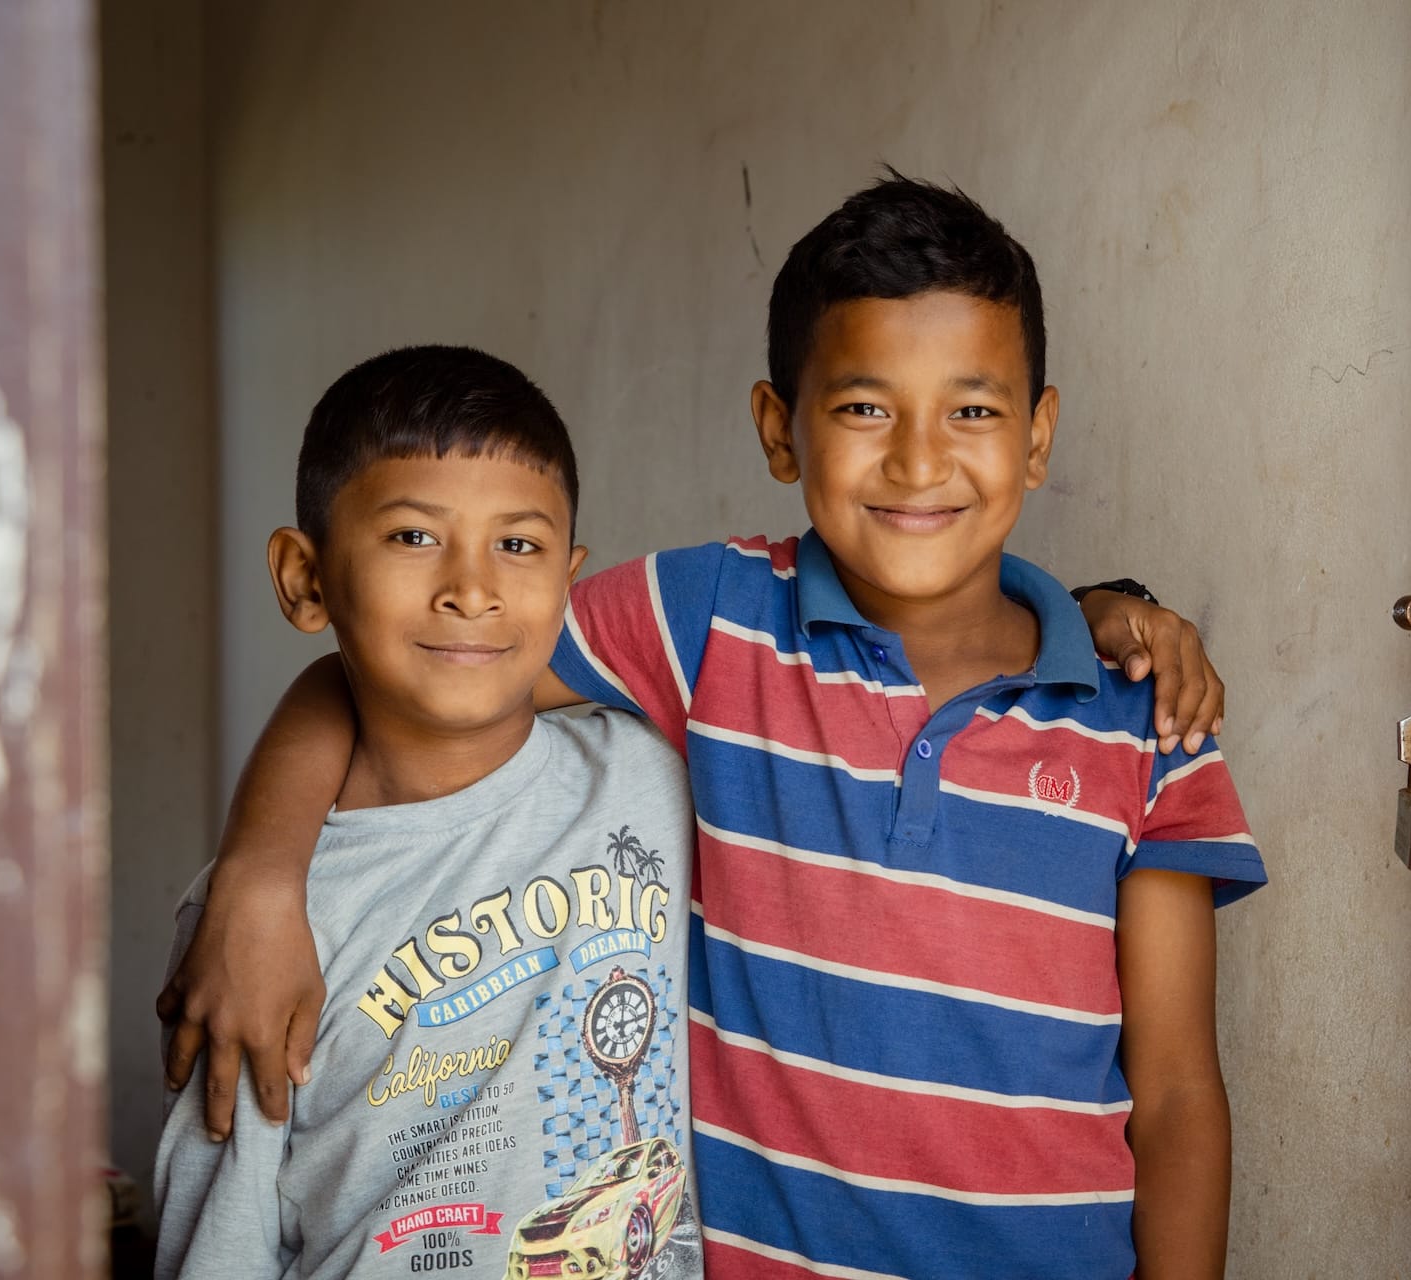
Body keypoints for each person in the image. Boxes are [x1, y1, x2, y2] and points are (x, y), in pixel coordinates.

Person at [167, 173, 1262, 1278]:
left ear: (1037, 435)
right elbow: (413, 663)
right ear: (780, 430)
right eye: (864, 407)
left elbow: (1175, 1092)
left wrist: (1106, 612)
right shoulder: (706, 623)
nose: (920, 459)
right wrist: (261, 873)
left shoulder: (1147, 722)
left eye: (972, 409)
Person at [153, 346, 706, 1279]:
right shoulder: (259, 932)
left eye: (518, 545)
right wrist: (258, 876)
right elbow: (223, 1242)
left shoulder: (652, 777)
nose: (472, 588)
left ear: (570, 577)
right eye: (413, 537)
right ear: (305, 577)